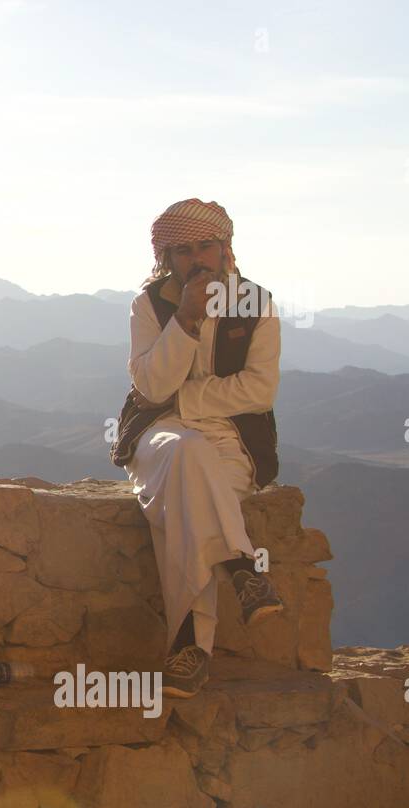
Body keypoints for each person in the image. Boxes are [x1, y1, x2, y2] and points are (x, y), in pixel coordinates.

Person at [109, 198, 284, 699]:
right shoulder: (150, 306)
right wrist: (185, 319)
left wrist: (189, 398)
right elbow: (151, 386)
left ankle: (190, 647)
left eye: (205, 245)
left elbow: (259, 391)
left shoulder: (256, 304)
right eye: (182, 250)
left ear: (227, 249)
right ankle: (241, 568)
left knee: (187, 504)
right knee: (186, 457)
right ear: (167, 258)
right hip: (159, 435)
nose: (196, 258)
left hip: (232, 441)